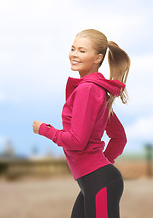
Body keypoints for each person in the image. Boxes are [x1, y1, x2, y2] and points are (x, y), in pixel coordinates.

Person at [33, 29, 130, 218]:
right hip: (95, 181)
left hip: (99, 180)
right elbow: (119, 138)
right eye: (72, 49)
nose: (74, 55)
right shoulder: (97, 90)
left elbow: (77, 141)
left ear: (97, 58)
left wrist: (44, 130)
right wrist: (103, 163)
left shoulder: (87, 90)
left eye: (82, 51)